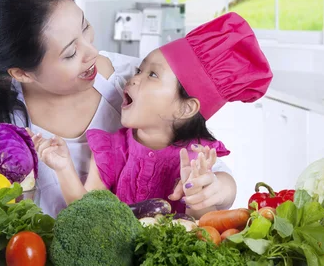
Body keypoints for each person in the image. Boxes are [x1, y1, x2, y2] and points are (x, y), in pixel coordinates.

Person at [0, 0, 240, 217]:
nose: (92, 52)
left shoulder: (134, 83)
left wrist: (215, 190)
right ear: (22, 73)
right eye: (70, 53)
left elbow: (207, 165)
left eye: (85, 28)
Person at [33, 12, 273, 217]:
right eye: (140, 69)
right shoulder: (111, 149)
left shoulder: (196, 159)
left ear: (185, 108)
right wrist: (63, 168)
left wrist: (209, 190)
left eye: (152, 75)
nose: (133, 78)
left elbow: (210, 208)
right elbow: (87, 214)